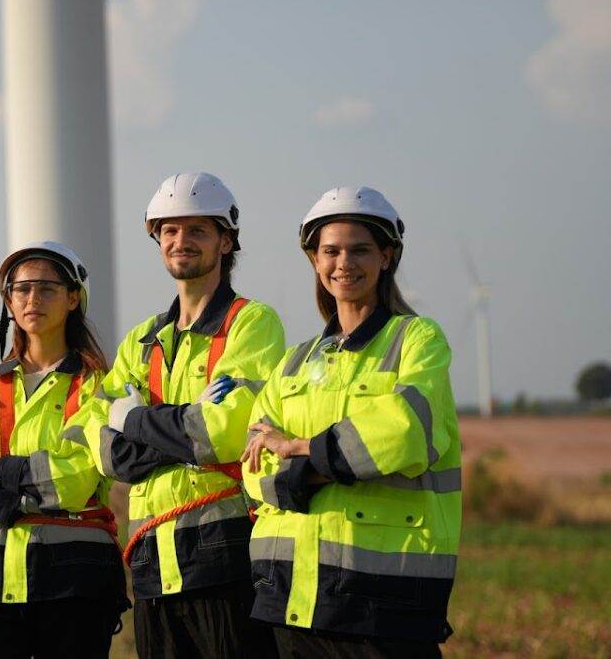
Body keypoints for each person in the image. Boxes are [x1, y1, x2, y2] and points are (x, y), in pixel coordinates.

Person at [241, 186, 462, 658]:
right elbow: (252, 463)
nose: (345, 262)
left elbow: (404, 431)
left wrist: (302, 450)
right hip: (291, 594)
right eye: (331, 251)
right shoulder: (295, 360)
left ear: (387, 256)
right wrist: (330, 465)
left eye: (360, 249)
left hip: (382, 598)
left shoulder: (417, 339)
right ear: (315, 262)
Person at [81, 172, 285, 658]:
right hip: (153, 560)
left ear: (226, 240)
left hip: (226, 554)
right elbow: (109, 456)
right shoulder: (142, 340)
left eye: (197, 230)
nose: (180, 241)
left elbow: (224, 435)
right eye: (169, 231)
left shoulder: (252, 323)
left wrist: (134, 420)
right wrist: (179, 427)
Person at [0, 241, 127, 659]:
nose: (32, 299)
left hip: (76, 573)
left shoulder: (99, 386)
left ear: (73, 298)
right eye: (20, 289)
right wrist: (22, 495)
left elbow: (75, 479)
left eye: (46, 288)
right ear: (9, 300)